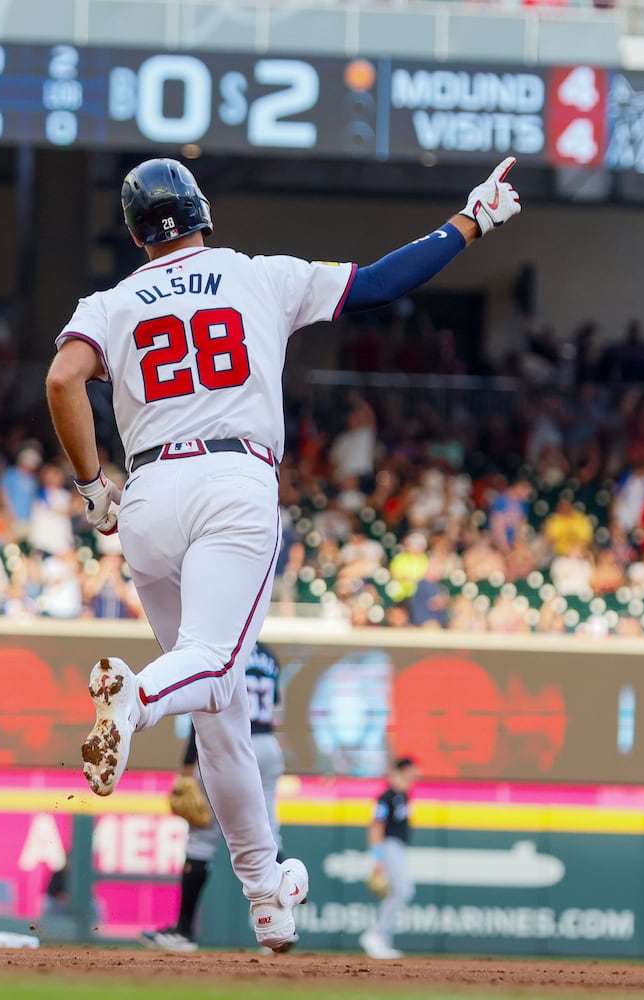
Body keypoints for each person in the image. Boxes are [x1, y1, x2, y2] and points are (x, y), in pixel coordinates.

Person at [46, 156, 522, 952]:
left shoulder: (114, 299)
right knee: (214, 669)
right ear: (202, 213)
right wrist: (470, 220)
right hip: (233, 477)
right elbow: (379, 282)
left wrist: (94, 486)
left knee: (223, 717)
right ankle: (134, 701)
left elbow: (64, 380)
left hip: (150, 493)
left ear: (134, 234)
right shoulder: (259, 275)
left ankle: (267, 892)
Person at [142, 641, 285, 953]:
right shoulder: (270, 655)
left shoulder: (222, 644)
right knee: (268, 836)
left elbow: (207, 711)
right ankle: (281, 920)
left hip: (233, 746)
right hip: (269, 747)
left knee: (202, 840)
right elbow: (276, 711)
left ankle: (183, 932)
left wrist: (185, 767)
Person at [361, 757, 417, 961]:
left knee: (399, 891)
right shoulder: (387, 797)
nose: (414, 777)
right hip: (388, 845)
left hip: (398, 847)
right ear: (400, 772)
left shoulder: (404, 796)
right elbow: (376, 826)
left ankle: (382, 937)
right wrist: (377, 858)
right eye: (410, 772)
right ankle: (376, 935)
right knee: (403, 890)